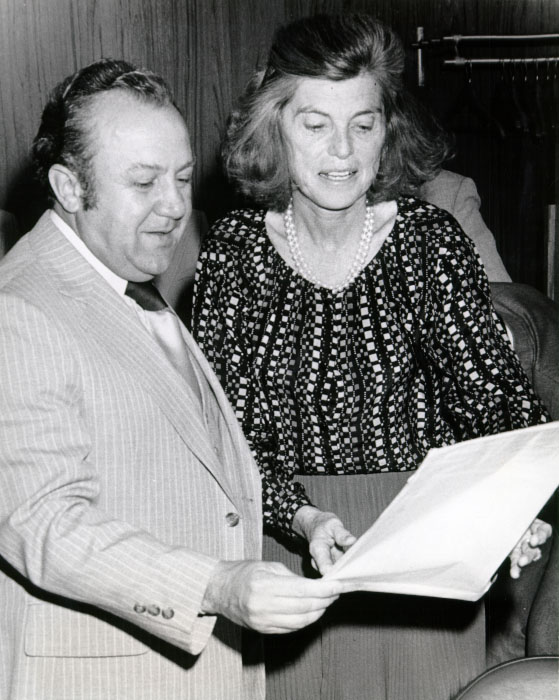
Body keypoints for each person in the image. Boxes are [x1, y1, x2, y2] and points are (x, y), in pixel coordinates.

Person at [191, 14, 552, 700]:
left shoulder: (427, 242)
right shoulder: (233, 254)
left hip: (423, 543)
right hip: (284, 545)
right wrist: (301, 517)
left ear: (387, 128)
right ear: (273, 126)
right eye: (314, 123)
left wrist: (510, 503)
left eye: (362, 123)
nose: (342, 149)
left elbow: (493, 395)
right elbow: (229, 433)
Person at [0, 58, 351, 700]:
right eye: (144, 182)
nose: (174, 207)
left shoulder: (125, 280)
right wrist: (214, 585)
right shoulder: (20, 309)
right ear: (69, 187)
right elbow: (44, 522)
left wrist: (297, 520)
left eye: (183, 178)